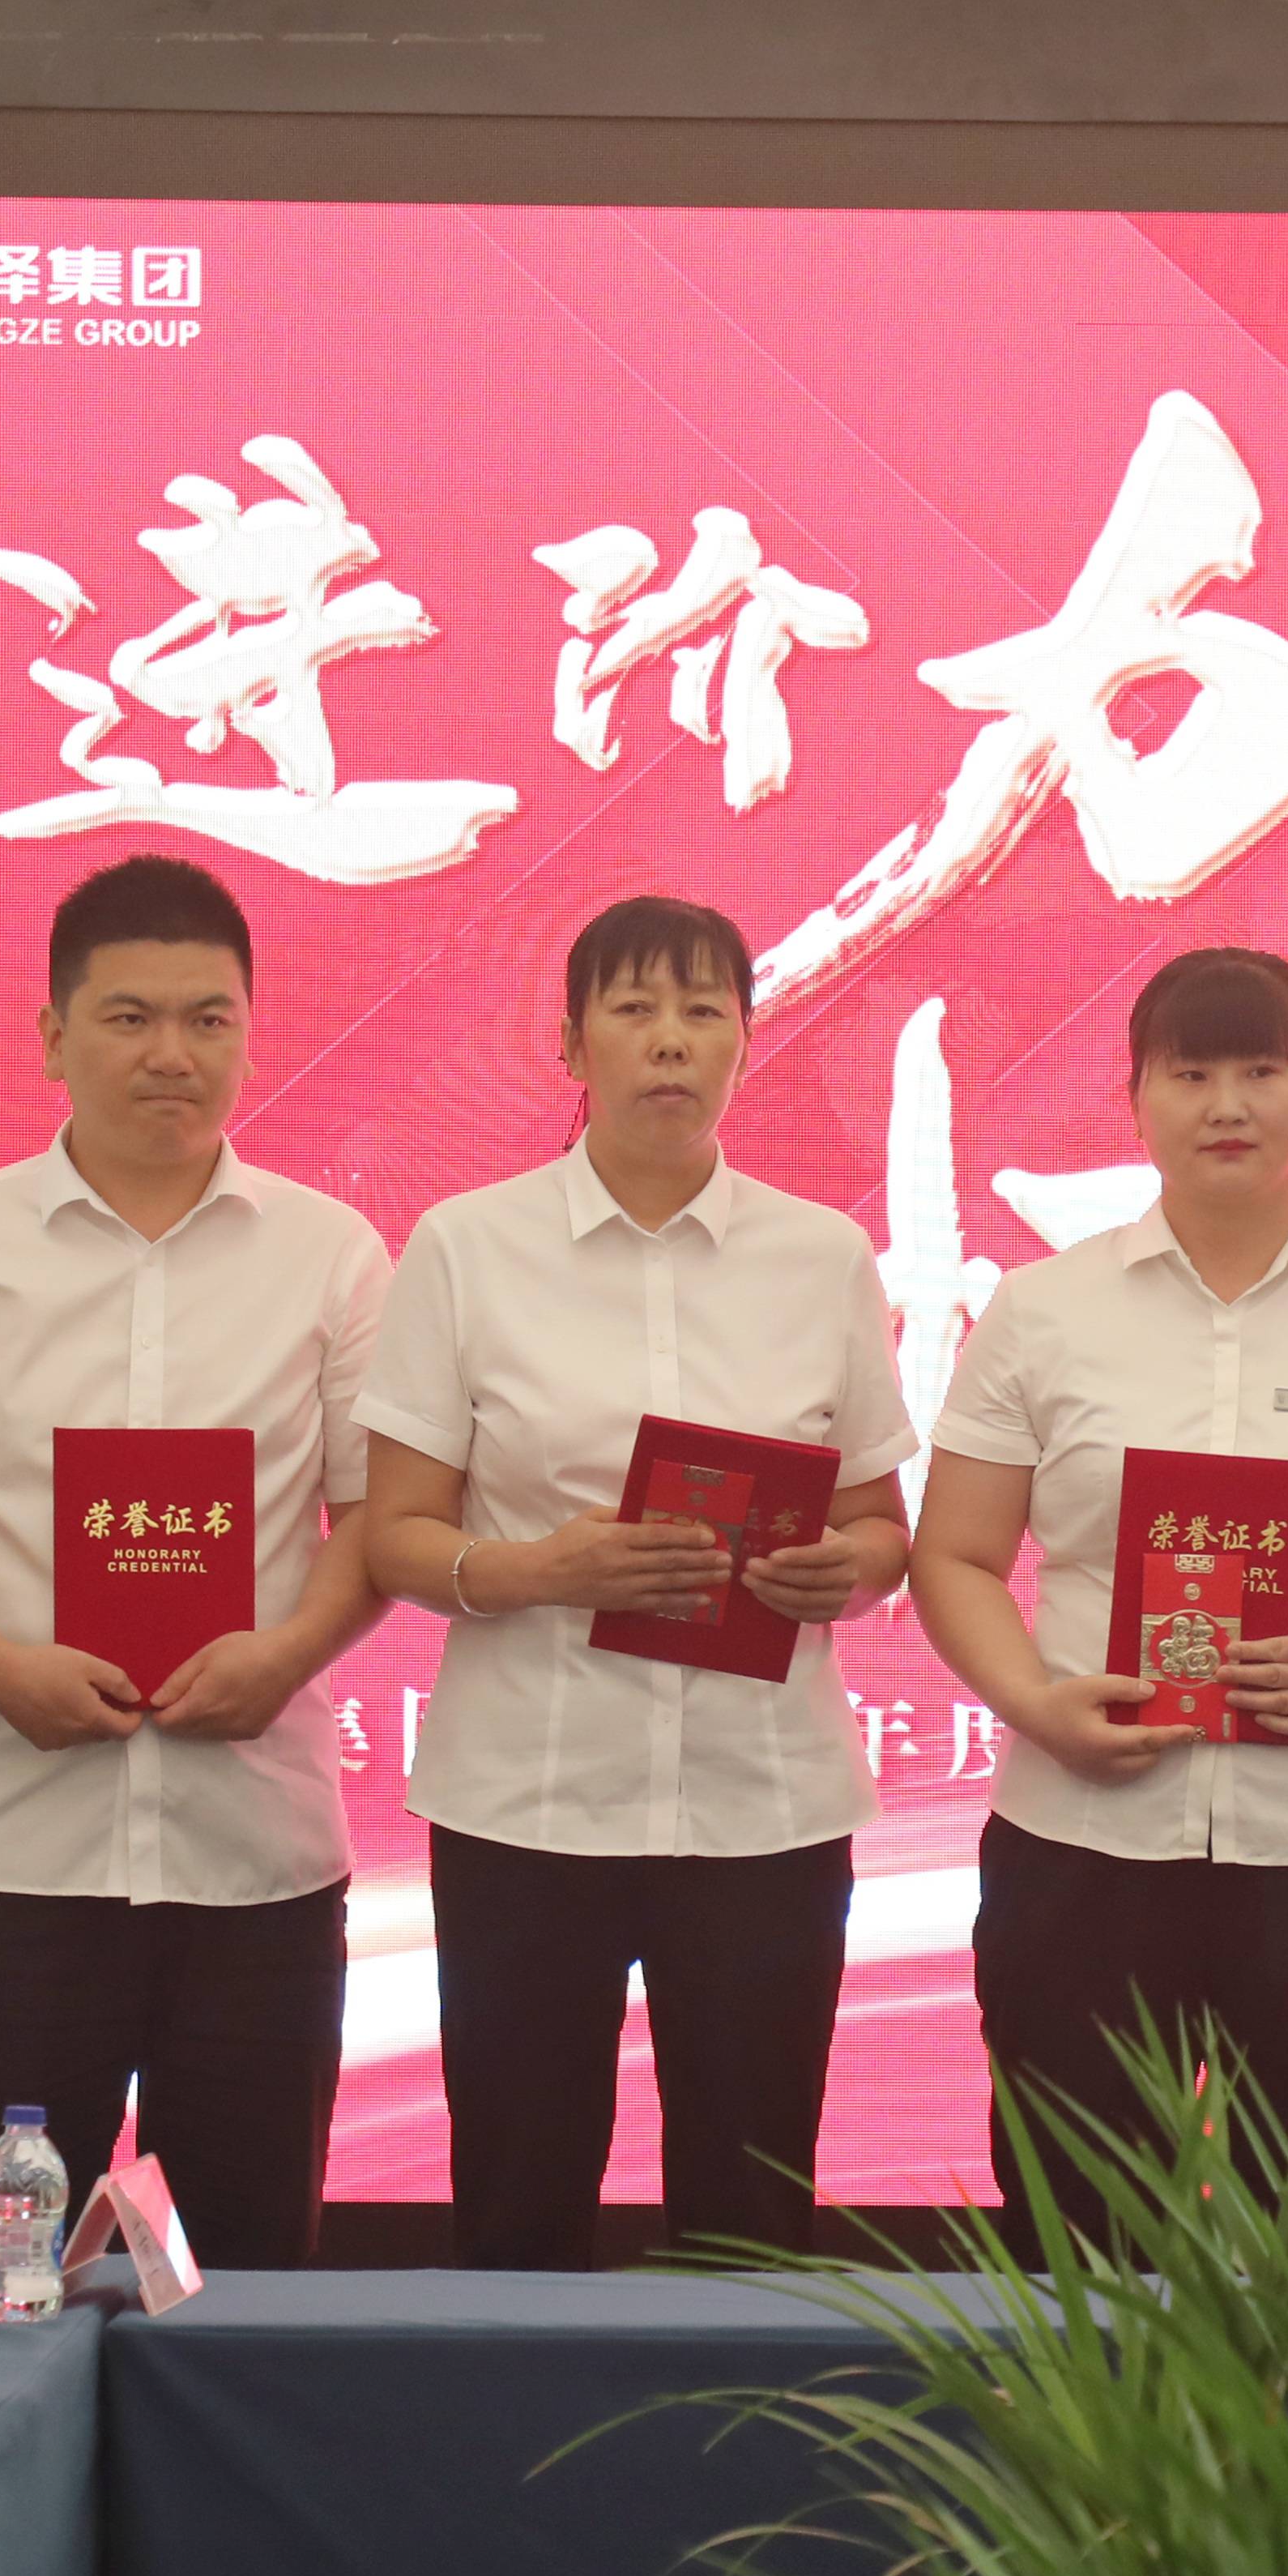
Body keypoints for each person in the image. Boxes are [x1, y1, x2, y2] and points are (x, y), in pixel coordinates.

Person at [0, 856, 395, 2264]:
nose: (170, 1054)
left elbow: (379, 1515)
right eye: (128, 1017)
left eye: (207, 1019)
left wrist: (285, 1656)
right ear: (52, 1036)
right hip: (6, 1848)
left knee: (247, 2278)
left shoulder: (330, 1254)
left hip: (251, 1859)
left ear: (249, 1036)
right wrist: (0, 1669)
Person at [910, 948, 1288, 2249]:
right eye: (1189, 1074)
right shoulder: (1040, 1311)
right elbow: (954, 1555)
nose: (1227, 1105)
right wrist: (1033, 1703)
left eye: (1260, 1069)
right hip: (1082, 1842)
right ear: (1135, 1100)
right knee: (1074, 2245)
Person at [357, 899, 914, 2270]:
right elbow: (394, 1534)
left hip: (762, 1805)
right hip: (527, 1807)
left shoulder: (821, 1256)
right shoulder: (465, 1246)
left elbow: (881, 1527)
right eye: (634, 1009)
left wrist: (840, 1570)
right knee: (518, 2199)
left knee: (752, 2218)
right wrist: (542, 1568)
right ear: (570, 1043)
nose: (670, 1041)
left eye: (703, 1011)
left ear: (743, 1044)